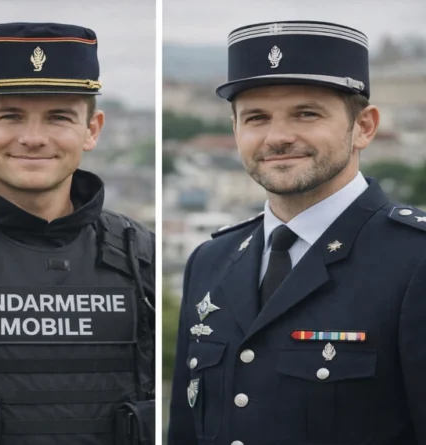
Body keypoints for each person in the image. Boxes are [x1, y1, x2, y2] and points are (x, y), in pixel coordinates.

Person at [0, 22, 156, 445]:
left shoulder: (141, 255)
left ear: (92, 129)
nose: (33, 138)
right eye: (10, 115)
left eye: (58, 117)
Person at [167, 19, 426, 444]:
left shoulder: (415, 260)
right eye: (256, 117)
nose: (278, 136)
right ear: (235, 130)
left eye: (306, 113)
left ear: (364, 126)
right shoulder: (211, 261)